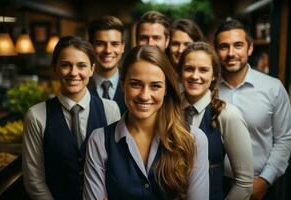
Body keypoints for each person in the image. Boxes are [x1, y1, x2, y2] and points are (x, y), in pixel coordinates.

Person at [83, 45, 209, 200]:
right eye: (135, 84)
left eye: (155, 86)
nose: (144, 95)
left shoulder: (194, 140)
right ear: (123, 85)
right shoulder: (99, 140)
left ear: (166, 89)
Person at [22, 36, 121, 200]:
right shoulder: (36, 115)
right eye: (66, 65)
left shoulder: (110, 109)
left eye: (81, 66)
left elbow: (116, 167)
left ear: (91, 69)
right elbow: (34, 180)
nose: (74, 73)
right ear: (55, 69)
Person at [214, 19, 291, 200]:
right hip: (216, 184)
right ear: (216, 51)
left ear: (249, 49)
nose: (231, 53)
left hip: (261, 185)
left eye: (238, 45)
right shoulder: (207, 89)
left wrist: (265, 181)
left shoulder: (273, 88)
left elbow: (285, 138)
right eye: (224, 46)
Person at [179, 42, 253, 200]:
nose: (195, 76)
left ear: (213, 75)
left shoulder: (227, 115)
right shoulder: (168, 110)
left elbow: (244, 183)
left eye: (203, 70)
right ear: (180, 72)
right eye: (189, 68)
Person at [88, 15, 127, 115]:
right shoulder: (79, 85)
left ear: (122, 47)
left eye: (114, 44)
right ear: (91, 46)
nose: (108, 50)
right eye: (100, 44)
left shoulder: (132, 85)